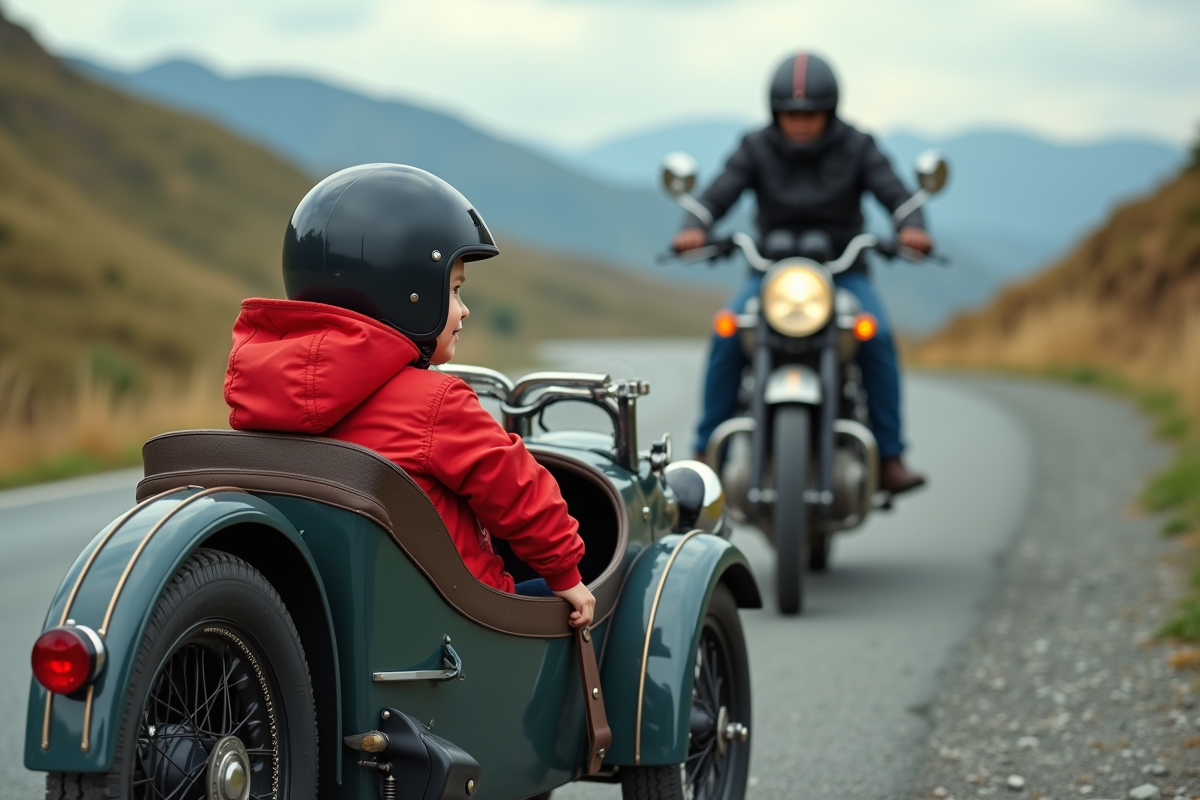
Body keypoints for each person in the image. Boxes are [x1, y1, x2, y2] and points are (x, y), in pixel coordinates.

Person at [223, 163, 595, 627]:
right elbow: (520, 490)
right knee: (589, 598)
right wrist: (565, 570)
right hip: (457, 623)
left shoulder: (260, 402)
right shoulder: (436, 403)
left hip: (324, 624)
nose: (464, 310)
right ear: (409, 293)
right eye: (455, 290)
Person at [676, 52, 931, 494]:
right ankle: (706, 452)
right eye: (790, 113)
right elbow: (719, 193)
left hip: (843, 273)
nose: (800, 123)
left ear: (829, 111)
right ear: (775, 113)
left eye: (810, 113)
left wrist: (913, 227)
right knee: (728, 331)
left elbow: (896, 193)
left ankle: (890, 456)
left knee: (880, 336)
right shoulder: (755, 146)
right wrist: (693, 227)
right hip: (770, 276)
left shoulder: (857, 145)